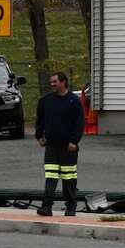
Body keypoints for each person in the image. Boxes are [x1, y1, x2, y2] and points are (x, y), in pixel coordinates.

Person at [35, 71, 85, 217]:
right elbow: (40, 119)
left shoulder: (73, 101)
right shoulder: (46, 100)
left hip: (68, 148)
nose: (52, 84)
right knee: (51, 177)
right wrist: (39, 136)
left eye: (54, 82)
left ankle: (71, 208)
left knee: (69, 179)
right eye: (51, 82)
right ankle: (46, 207)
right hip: (51, 146)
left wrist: (74, 141)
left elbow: (79, 123)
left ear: (63, 82)